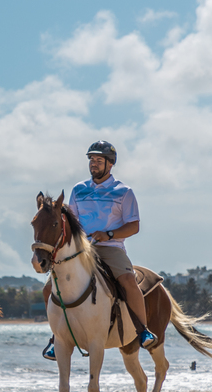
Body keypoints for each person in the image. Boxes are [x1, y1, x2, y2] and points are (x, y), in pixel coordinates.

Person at [42, 141, 156, 360]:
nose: (93, 164)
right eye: (91, 160)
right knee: (49, 288)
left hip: (110, 248)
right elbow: (70, 222)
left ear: (110, 164)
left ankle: (143, 330)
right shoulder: (78, 189)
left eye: (99, 160)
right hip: (80, 250)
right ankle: (56, 339)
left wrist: (109, 234)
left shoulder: (124, 192)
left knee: (129, 281)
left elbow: (134, 226)